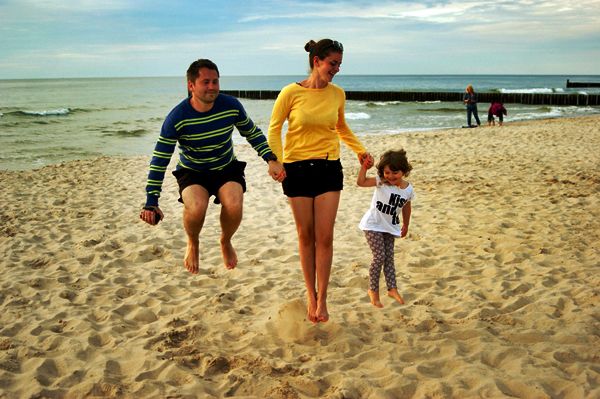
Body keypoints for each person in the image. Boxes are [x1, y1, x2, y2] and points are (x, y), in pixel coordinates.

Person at [140, 59, 284, 274]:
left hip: (226, 167)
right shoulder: (177, 117)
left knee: (234, 203)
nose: (212, 87)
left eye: (215, 81)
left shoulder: (230, 105)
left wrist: (270, 159)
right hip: (192, 171)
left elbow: (251, 132)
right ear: (191, 86)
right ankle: (193, 243)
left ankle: (225, 241)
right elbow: (160, 159)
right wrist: (151, 201)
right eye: (205, 82)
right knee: (197, 207)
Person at [267, 39, 373, 323]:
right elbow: (275, 128)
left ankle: (322, 300)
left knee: (325, 237)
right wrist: (274, 160)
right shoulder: (290, 92)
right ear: (317, 61)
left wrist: (360, 150)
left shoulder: (338, 94)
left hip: (328, 168)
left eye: (339, 64)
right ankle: (310, 296)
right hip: (296, 169)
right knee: (306, 236)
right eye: (332, 63)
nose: (336, 69)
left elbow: (341, 126)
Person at [357, 149, 414, 308]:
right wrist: (364, 168)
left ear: (404, 171)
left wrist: (406, 224)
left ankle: (392, 288)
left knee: (389, 258)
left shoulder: (408, 189)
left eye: (395, 173)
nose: (390, 176)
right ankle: (373, 290)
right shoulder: (380, 182)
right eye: (387, 172)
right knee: (379, 256)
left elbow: (406, 207)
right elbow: (360, 182)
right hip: (372, 225)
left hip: (390, 226)